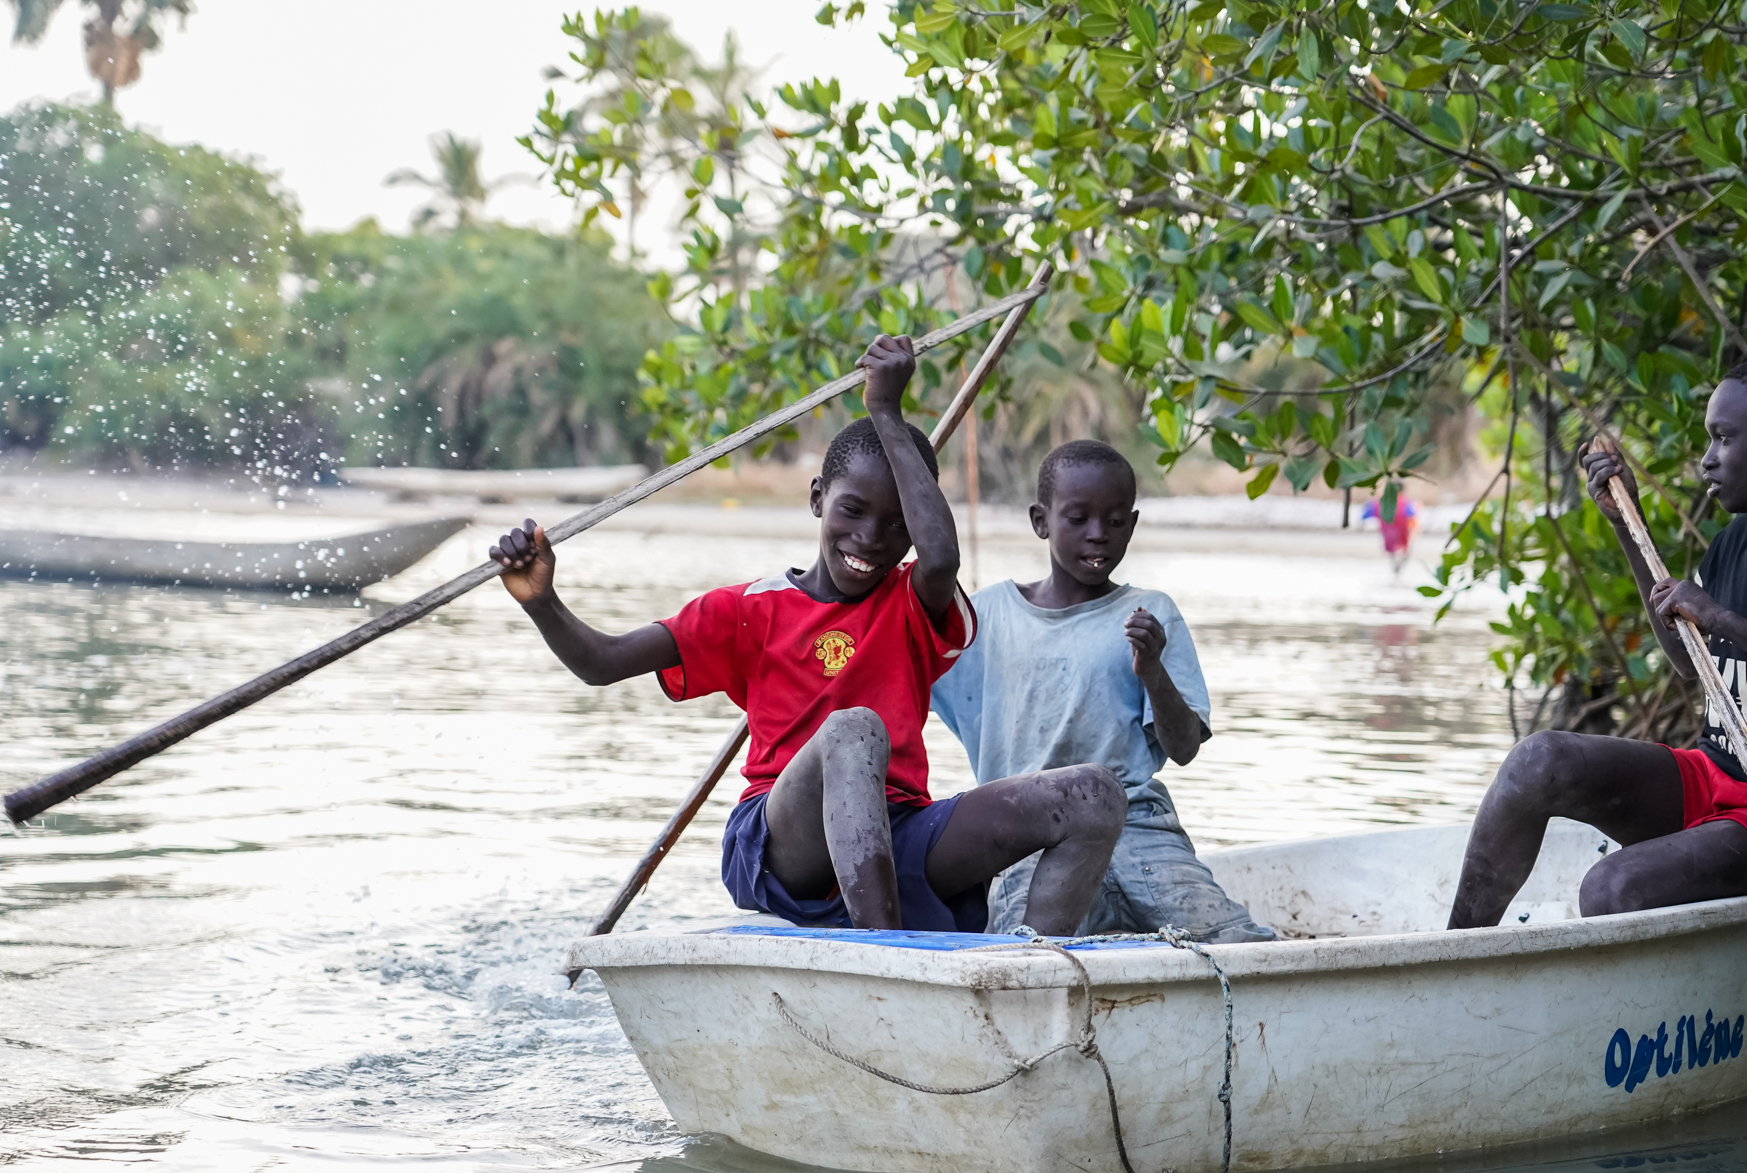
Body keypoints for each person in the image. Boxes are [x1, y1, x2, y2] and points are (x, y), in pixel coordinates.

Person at [488, 335, 1126, 935]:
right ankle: (888, 957)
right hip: (782, 844)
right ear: (818, 498)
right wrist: (542, 601)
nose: (871, 541)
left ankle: (1030, 973)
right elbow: (601, 662)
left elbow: (939, 560)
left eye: (896, 524)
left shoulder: (912, 599)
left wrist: (886, 411)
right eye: (853, 511)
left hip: (895, 832)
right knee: (854, 728)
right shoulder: (747, 609)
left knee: (1095, 795)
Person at [1445, 353, 1747, 929]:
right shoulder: (1734, 543)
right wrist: (1627, 523)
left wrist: (1724, 619)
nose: (1707, 460)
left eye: (1724, 439)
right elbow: (1691, 662)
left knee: (1615, 888)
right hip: (1716, 776)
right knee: (1538, 761)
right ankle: (1458, 950)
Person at [931, 440, 1276, 943]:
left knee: (1240, 948)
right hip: (1030, 837)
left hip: (1140, 830)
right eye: (1078, 519)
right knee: (1021, 955)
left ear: (1132, 526)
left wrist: (1152, 670)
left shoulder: (1150, 614)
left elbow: (1182, 750)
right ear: (1040, 521)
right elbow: (903, 669)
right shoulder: (983, 620)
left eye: (1115, 522)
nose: (1098, 535)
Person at [1364, 480, 1420, 574]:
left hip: (1387, 534)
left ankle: (1395, 572)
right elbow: (1412, 515)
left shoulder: (1379, 502)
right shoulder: (1405, 502)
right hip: (1401, 534)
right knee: (1401, 553)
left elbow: (1365, 514)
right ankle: (1397, 572)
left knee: (1393, 554)